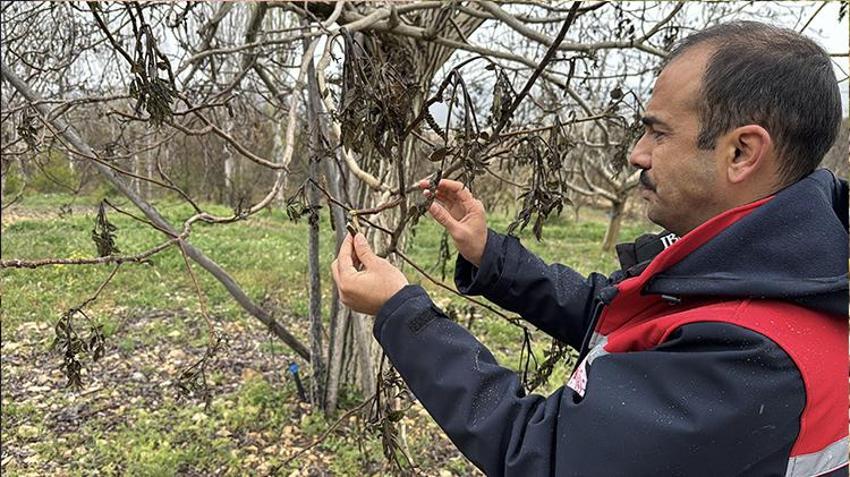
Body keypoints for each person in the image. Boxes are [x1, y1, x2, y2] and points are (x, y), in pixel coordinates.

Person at [331, 21, 848, 476]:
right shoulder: (765, 273)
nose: (636, 154)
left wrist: (401, 312)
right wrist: (491, 255)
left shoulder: (757, 356)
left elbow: (545, 455)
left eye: (658, 133)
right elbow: (615, 315)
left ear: (741, 152)